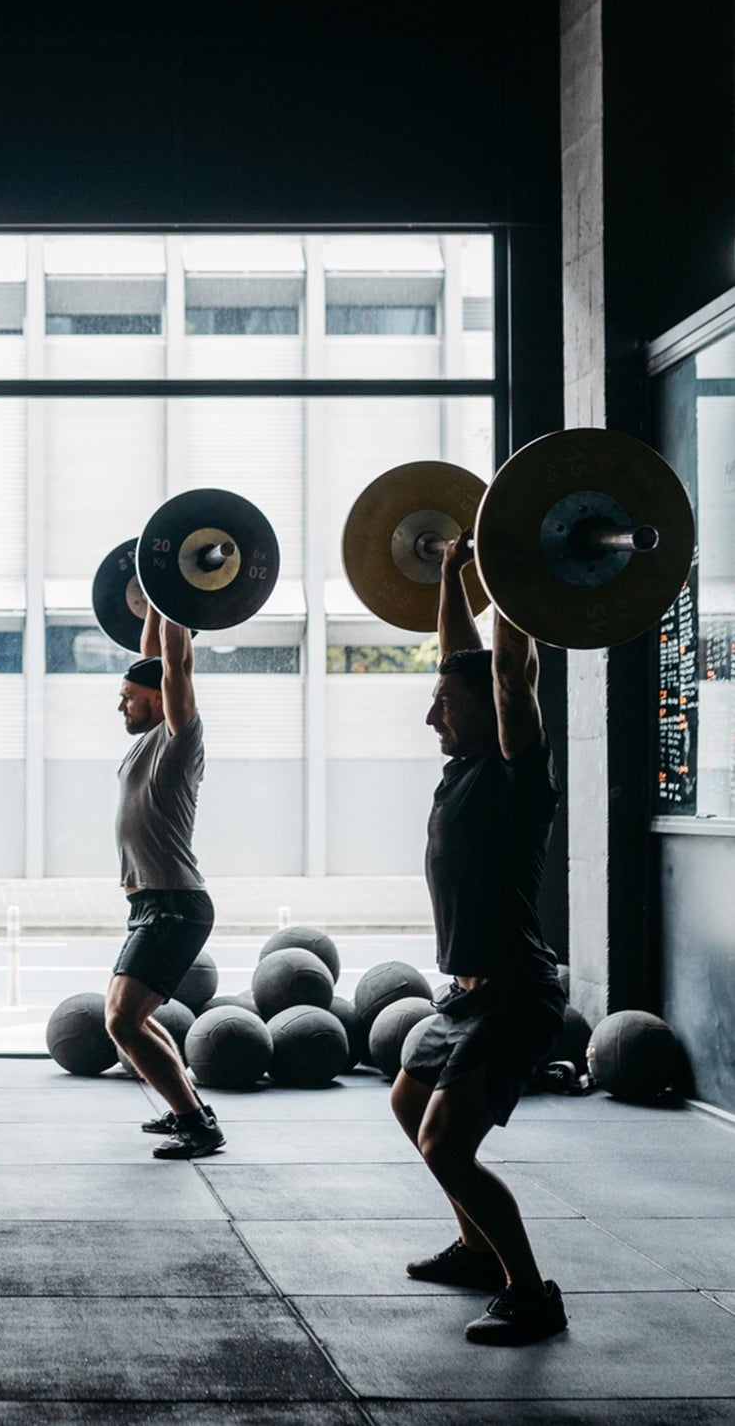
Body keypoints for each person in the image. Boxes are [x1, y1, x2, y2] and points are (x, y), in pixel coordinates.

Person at [390, 534, 569, 1345]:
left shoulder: (513, 769)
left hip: (515, 993)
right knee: (406, 1101)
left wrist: (509, 572)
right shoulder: (461, 762)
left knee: (446, 1145)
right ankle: (474, 1248)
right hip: (463, 992)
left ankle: (531, 1293)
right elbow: (458, 655)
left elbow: (502, 672)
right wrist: (456, 573)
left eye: (442, 703)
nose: (433, 711)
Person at [104, 605, 224, 1159]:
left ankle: (196, 1124)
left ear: (156, 699)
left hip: (175, 903)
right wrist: (156, 600)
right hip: (153, 904)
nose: (121, 705)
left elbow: (174, 663)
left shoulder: (179, 739)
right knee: (132, 1020)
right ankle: (190, 1109)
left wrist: (177, 599)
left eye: (128, 696)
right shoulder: (148, 737)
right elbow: (157, 654)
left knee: (123, 1021)